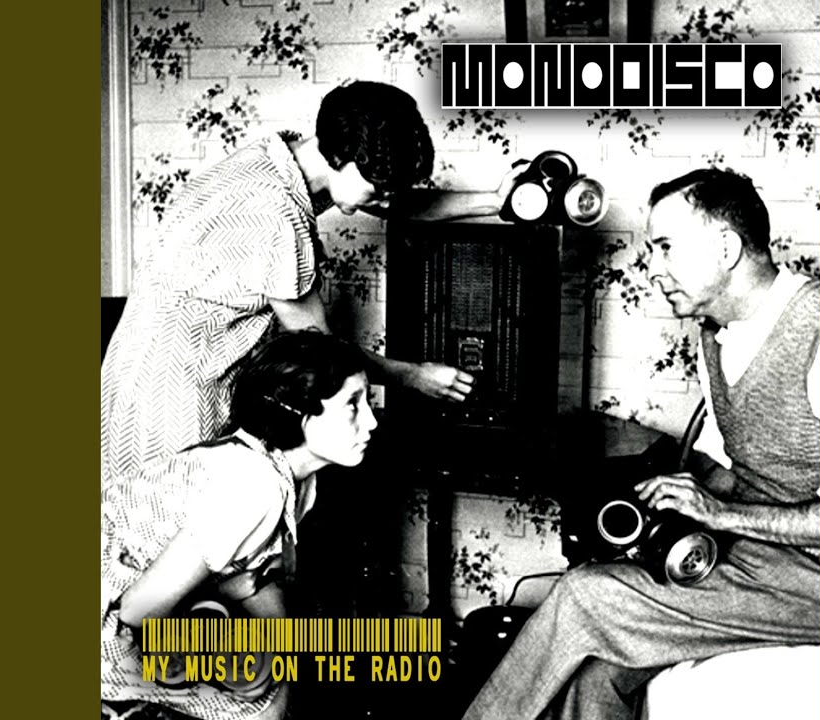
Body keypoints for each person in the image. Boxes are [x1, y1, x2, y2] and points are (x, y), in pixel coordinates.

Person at [462, 168, 820, 720]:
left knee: (586, 595)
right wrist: (669, 500)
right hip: (759, 559)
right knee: (596, 671)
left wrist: (721, 514)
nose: (652, 268)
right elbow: (739, 465)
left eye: (666, 247)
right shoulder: (714, 332)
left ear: (726, 249)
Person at [101, 80, 520, 487]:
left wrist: (496, 202)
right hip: (177, 398)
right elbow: (323, 352)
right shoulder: (276, 217)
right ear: (340, 157)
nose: (385, 201)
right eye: (378, 190)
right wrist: (412, 376)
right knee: (177, 520)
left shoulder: (279, 158)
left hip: (130, 371)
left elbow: (395, 202)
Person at [101, 330, 376, 720]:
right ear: (296, 412)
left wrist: (279, 654)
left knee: (273, 680)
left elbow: (260, 578)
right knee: (262, 708)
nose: (372, 421)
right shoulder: (253, 485)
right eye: (352, 404)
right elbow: (137, 611)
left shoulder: (292, 478)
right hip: (108, 623)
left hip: (134, 607)